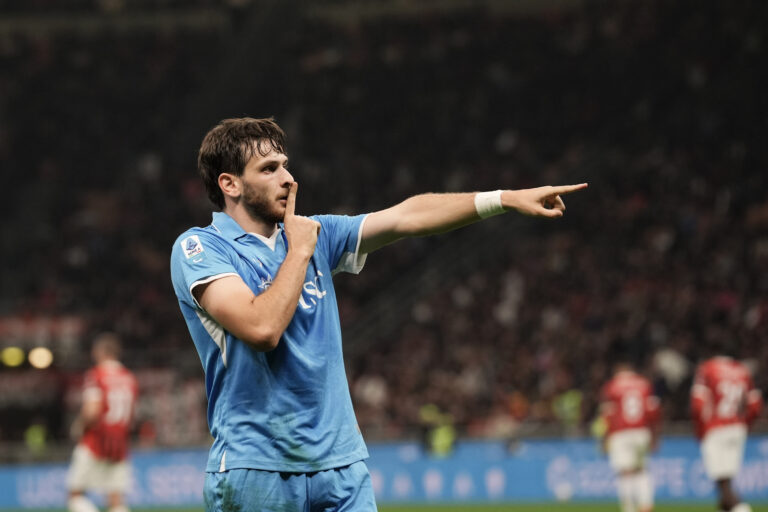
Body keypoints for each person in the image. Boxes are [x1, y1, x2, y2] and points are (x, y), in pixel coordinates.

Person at [169, 116, 588, 511]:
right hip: (257, 468)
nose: (288, 178)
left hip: (342, 466)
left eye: (285, 165)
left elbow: (406, 217)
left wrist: (504, 199)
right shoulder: (202, 249)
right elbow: (261, 328)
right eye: (269, 169)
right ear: (230, 184)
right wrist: (299, 251)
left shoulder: (317, 233)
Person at [67, 332, 138, 512]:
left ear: (99, 352)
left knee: (75, 495)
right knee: (116, 500)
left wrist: (79, 427)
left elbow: (92, 411)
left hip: (95, 442)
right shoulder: (129, 378)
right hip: (119, 445)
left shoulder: (96, 375)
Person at [691, 355, 763, 512]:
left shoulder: (707, 369)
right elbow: (756, 405)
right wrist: (745, 425)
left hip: (716, 428)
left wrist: (701, 431)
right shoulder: (742, 371)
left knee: (723, 483)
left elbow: (698, 404)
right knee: (725, 481)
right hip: (737, 428)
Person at [598, 361, 660, 512]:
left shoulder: (611, 386)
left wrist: (604, 439)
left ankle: (628, 508)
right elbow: (653, 412)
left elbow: (608, 416)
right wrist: (654, 436)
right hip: (641, 432)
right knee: (641, 469)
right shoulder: (644, 384)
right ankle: (646, 505)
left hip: (620, 434)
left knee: (624, 472)